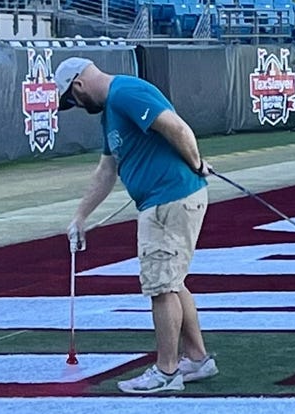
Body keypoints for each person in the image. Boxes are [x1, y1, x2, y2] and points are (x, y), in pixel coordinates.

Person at [54, 57, 219, 394]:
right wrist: (80, 217)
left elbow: (176, 127)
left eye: (71, 99)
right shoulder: (113, 109)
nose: (75, 106)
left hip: (167, 201)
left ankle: (167, 371)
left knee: (160, 288)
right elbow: (106, 170)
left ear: (79, 85)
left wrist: (196, 162)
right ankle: (198, 359)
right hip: (163, 201)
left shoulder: (125, 93)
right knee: (172, 282)